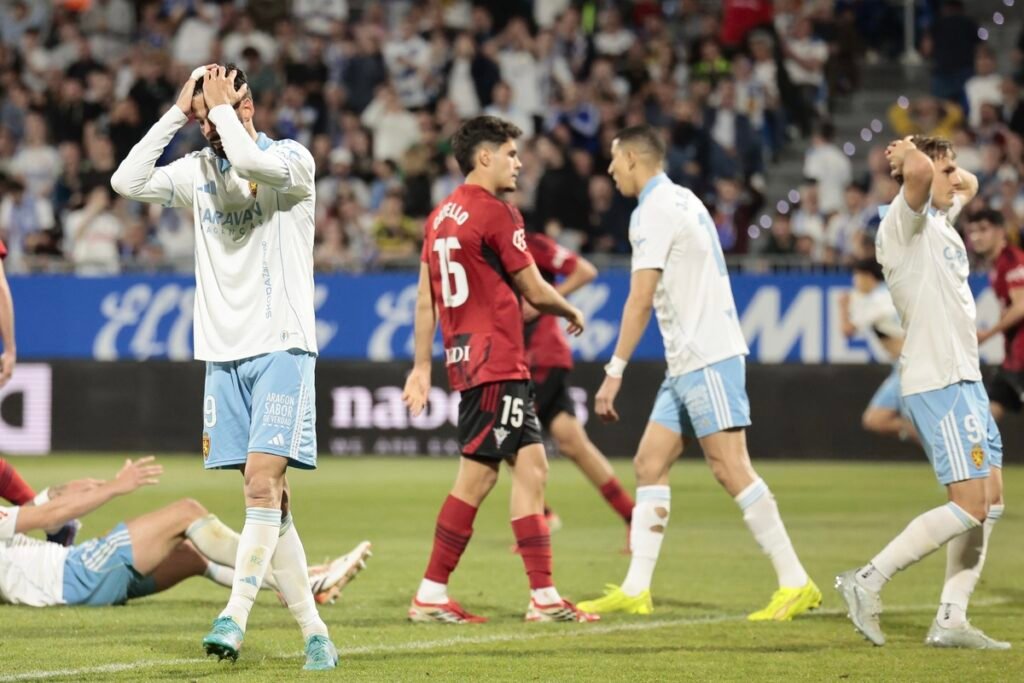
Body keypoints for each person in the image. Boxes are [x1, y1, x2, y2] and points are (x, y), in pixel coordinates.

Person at [110, 64, 337, 670]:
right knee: (271, 499)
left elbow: (255, 166)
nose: (214, 126)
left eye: (226, 110)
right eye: (207, 116)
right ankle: (314, 629)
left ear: (250, 106)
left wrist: (222, 108)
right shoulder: (199, 170)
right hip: (222, 355)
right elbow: (125, 180)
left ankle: (235, 613)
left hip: (282, 345)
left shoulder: (291, 161)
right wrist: (178, 113)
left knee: (261, 484)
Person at [577, 125, 820, 620]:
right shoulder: (684, 198)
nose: (609, 170)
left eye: (613, 161)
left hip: (705, 355)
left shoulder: (652, 212)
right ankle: (636, 588)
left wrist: (614, 370)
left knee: (730, 468)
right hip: (689, 359)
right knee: (649, 463)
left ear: (630, 160)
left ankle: (796, 582)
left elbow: (640, 298)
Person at [401, 115, 597, 624]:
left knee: (533, 468)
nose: (519, 162)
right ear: (483, 157)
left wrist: (422, 365)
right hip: (496, 362)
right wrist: (569, 309)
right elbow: (534, 288)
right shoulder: (497, 212)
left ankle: (545, 598)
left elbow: (427, 300)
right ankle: (430, 594)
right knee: (477, 478)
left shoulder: (439, 216)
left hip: (472, 359)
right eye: (511, 153)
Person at [835, 136, 1007, 650]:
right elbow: (917, 177)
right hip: (938, 379)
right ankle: (866, 580)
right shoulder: (901, 225)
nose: (958, 180)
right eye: (946, 170)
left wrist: (943, 167)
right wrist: (910, 151)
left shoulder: (940, 222)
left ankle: (952, 619)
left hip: (966, 379)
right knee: (970, 504)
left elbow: (966, 182)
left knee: (991, 501)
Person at [0, 457, 372, 608]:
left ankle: (297, 589)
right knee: (186, 513)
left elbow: (47, 510)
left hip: (74, 587)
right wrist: (117, 486)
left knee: (191, 557)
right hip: (76, 572)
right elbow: (51, 516)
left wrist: (73, 489)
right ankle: (305, 578)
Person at [522, 232, 634, 536]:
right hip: (527, 358)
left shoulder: (530, 243)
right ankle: (633, 518)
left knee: (515, 442)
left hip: (541, 358)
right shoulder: (490, 247)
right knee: (573, 443)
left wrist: (547, 300)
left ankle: (537, 522)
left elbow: (584, 270)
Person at [838, 258, 916, 442]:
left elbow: (847, 330)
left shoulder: (880, 299)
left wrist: (842, 307)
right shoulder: (884, 296)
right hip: (900, 368)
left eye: (857, 276)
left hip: (911, 365)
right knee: (875, 419)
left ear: (868, 277)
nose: (854, 282)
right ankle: (937, 444)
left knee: (919, 424)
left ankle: (947, 451)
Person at [967, 209, 1024, 423]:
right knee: (987, 414)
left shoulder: (1012, 260)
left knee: (987, 414)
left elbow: (1021, 306)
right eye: (972, 231)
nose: (976, 237)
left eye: (983, 229)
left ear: (1001, 231)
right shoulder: (998, 265)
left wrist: (987, 335)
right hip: (1013, 359)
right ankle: (976, 456)